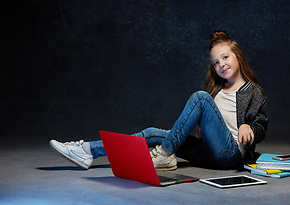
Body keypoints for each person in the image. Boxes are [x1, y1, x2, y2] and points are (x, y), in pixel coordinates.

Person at [50, 31, 268, 171]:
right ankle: (88, 151)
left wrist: (249, 126)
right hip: (206, 153)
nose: (220, 64)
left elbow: (260, 124)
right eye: (215, 62)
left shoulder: (254, 92)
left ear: (238, 56)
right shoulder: (217, 91)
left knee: (199, 98)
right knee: (152, 132)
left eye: (225, 57)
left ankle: (165, 154)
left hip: (229, 155)